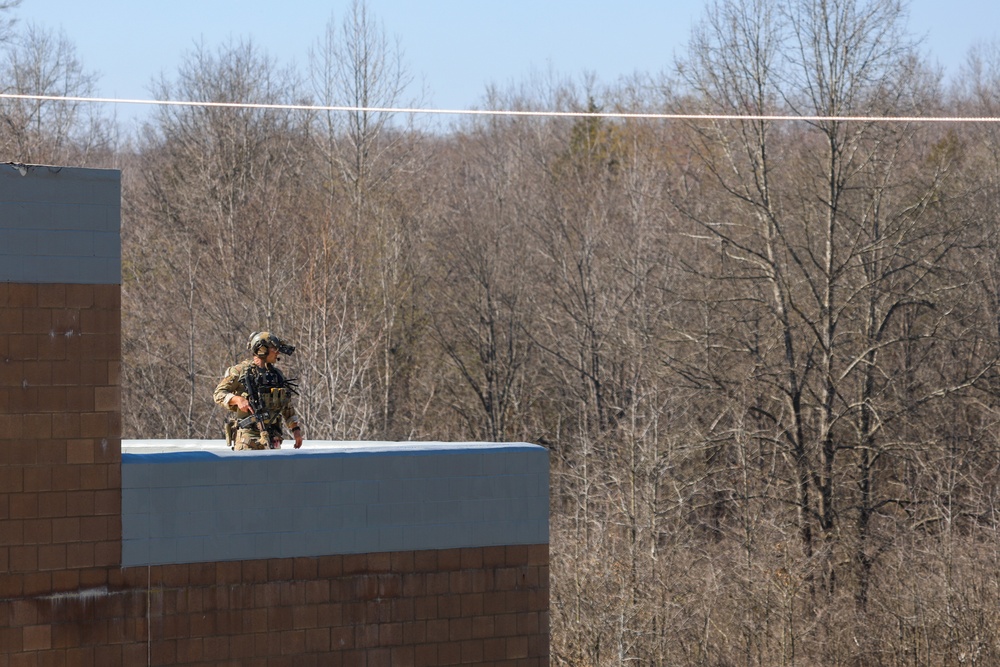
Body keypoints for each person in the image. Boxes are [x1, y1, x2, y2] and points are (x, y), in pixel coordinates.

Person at [214, 331, 304, 450]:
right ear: (262, 350)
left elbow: (286, 405)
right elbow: (218, 394)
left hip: (273, 438)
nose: (277, 352)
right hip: (248, 439)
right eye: (273, 349)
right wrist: (237, 400)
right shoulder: (240, 371)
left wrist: (295, 430)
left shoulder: (277, 375)